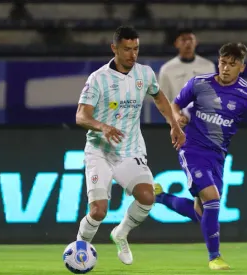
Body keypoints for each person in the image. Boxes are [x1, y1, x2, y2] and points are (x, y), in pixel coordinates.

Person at [154, 42, 247, 270]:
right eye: (223, 62)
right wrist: (177, 120)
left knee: (203, 213)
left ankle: (161, 197)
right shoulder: (199, 84)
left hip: (217, 156)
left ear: (242, 68)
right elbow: (174, 105)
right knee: (212, 197)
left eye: (232, 64)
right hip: (192, 148)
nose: (225, 68)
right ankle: (214, 257)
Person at [75, 26, 185, 265]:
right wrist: (102, 127)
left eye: (136, 49)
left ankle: (121, 233)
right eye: (126, 49)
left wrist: (173, 124)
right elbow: (81, 116)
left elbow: (158, 96)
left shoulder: (145, 74)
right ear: (114, 48)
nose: (132, 54)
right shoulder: (98, 78)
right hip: (100, 151)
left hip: (130, 149)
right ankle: (80, 249)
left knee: (147, 197)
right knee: (98, 211)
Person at [158, 28, 216, 102]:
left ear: (196, 42)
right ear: (176, 44)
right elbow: (163, 101)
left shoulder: (209, 66)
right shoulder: (167, 69)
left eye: (191, 39)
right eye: (183, 40)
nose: (188, 43)